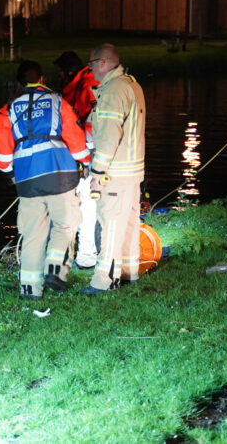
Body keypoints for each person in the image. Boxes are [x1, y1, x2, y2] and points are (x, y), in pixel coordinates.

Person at [0, 61, 90, 299]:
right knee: (65, 224)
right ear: (43, 79)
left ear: (19, 83)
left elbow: (3, 160)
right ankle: (55, 269)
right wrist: (87, 162)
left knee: (32, 234)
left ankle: (30, 289)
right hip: (60, 175)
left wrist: (13, 174)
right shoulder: (58, 102)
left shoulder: (7, 110)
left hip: (27, 181)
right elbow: (77, 144)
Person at [83, 43, 146, 295]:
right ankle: (129, 272)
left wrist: (97, 173)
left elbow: (109, 137)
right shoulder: (131, 84)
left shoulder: (113, 91)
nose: (90, 69)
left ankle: (103, 281)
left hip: (115, 172)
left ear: (103, 63)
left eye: (91, 64)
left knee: (109, 224)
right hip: (132, 170)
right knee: (128, 223)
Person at [54, 50, 100, 269]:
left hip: (90, 152)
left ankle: (87, 254)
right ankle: (84, 248)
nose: (59, 76)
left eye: (60, 72)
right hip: (84, 151)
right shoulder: (78, 85)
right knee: (84, 199)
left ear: (68, 71)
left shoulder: (87, 84)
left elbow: (92, 119)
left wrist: (85, 154)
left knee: (88, 200)